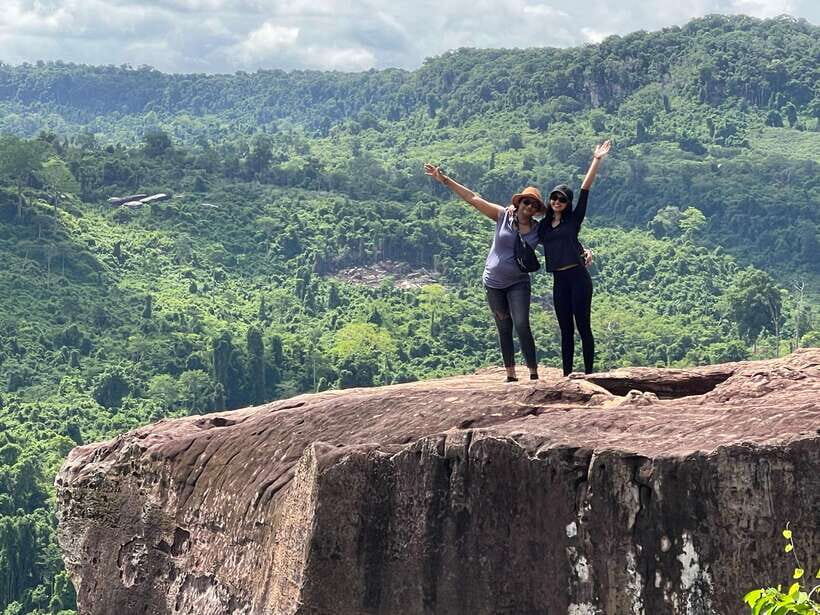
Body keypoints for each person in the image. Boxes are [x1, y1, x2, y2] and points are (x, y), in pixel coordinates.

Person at [424, 163, 544, 382]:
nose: (529, 207)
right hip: (493, 282)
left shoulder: (538, 230)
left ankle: (533, 373)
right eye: (527, 202)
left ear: (537, 210)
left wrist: (583, 251)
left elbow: (561, 239)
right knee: (503, 325)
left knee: (522, 325)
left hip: (519, 282)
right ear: (519, 202)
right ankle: (510, 374)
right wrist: (444, 180)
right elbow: (473, 198)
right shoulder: (502, 216)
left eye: (534, 205)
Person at [539, 139, 611, 376]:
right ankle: (567, 374)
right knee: (565, 329)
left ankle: (589, 374)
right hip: (559, 280)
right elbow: (524, 220)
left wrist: (596, 160)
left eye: (562, 199)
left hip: (578, 277)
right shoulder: (544, 226)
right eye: (554, 198)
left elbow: (585, 189)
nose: (557, 202)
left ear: (567, 203)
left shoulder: (573, 219)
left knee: (583, 326)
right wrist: (511, 210)